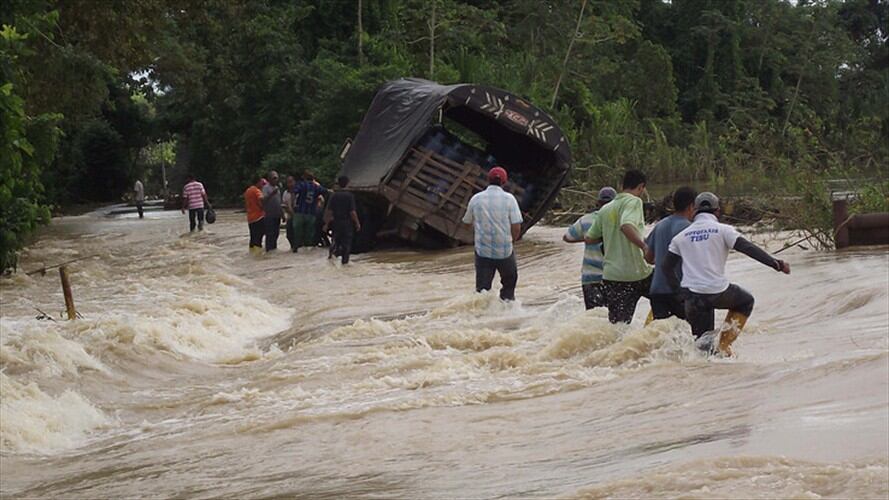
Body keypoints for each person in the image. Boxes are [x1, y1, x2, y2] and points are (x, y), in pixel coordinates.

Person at [662, 192, 791, 356]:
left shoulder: (680, 237)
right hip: (718, 292)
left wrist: (680, 293)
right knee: (746, 301)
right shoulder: (723, 230)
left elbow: (666, 267)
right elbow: (748, 248)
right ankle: (724, 346)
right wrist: (776, 264)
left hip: (692, 297)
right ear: (717, 212)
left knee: (702, 349)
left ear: (694, 211)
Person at [584, 170, 652, 324]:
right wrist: (644, 246)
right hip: (637, 272)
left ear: (622, 185)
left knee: (619, 326)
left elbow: (589, 238)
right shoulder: (634, 201)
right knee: (667, 297)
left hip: (613, 277)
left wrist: (610, 235)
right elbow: (626, 225)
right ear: (641, 187)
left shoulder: (605, 209)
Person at [462, 166, 523, 301]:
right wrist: (512, 241)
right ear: (504, 182)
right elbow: (516, 226)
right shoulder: (509, 199)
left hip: (483, 251)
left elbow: (466, 223)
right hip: (505, 251)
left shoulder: (476, 199)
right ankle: (506, 309)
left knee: (482, 291)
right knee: (509, 283)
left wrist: (477, 230)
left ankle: (483, 316)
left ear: (487, 180)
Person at [643, 186, 697, 323]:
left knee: (663, 337)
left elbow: (648, 258)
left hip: (656, 290)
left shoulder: (660, 225)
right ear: (691, 206)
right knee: (687, 336)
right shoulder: (690, 229)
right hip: (679, 290)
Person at [563, 186, 617, 309]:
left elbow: (567, 237)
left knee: (593, 317)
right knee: (613, 319)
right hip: (613, 276)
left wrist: (587, 239)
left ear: (598, 203)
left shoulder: (586, 219)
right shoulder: (620, 220)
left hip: (590, 278)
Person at [324, 176, 361, 264]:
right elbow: (352, 212)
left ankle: (331, 260)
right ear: (347, 183)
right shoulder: (350, 196)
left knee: (335, 241)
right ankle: (345, 263)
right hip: (347, 223)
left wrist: (326, 224)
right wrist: (357, 223)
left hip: (336, 223)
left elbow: (329, 211)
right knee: (346, 244)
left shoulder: (334, 195)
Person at [292, 172, 329, 251]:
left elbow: (294, 192)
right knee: (309, 234)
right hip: (311, 213)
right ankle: (307, 249)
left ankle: (296, 247)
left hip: (300, 212)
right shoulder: (316, 187)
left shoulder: (301, 185)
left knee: (297, 232)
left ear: (305, 178)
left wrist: (294, 204)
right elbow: (325, 191)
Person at [244, 176, 266, 254]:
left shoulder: (248, 191)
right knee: (259, 237)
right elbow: (261, 200)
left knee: (253, 238)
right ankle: (258, 255)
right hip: (258, 217)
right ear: (258, 182)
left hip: (250, 218)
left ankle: (252, 253)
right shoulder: (257, 191)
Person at [262, 170, 282, 252]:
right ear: (269, 179)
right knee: (270, 234)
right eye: (274, 178)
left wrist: (282, 214)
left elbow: (279, 202)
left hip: (277, 215)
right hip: (269, 215)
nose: (276, 180)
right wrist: (272, 194)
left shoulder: (277, 188)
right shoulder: (266, 188)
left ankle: (274, 250)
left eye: (276, 178)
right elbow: (263, 200)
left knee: (276, 234)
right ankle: (269, 251)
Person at [282, 175, 297, 252]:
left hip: (298, 217)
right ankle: (292, 248)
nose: (290, 184)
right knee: (289, 235)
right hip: (290, 217)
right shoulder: (285, 193)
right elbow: (284, 205)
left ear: (294, 182)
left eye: (291, 182)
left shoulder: (299, 192)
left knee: (298, 235)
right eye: (288, 182)